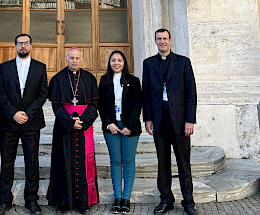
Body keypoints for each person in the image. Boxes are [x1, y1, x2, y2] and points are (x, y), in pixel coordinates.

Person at [142, 29, 198, 215]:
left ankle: (188, 202)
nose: (162, 42)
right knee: (162, 162)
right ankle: (166, 199)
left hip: (180, 121)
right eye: (159, 39)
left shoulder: (183, 62)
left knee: (183, 162)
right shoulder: (148, 63)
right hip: (159, 121)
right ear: (155, 42)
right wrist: (148, 118)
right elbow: (147, 94)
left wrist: (190, 120)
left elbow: (191, 93)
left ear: (171, 41)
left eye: (165, 39)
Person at [0, 34, 48, 215]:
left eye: (26, 43)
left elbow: (42, 94)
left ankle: (31, 200)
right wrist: (14, 113)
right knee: (7, 162)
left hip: (31, 122)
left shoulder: (40, 68)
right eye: (19, 43)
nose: (23, 46)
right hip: (9, 121)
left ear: (31, 46)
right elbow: (0, 94)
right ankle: (4, 200)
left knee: (32, 162)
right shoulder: (4, 67)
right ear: (15, 46)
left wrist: (27, 114)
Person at [46, 47, 99, 214]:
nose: (74, 61)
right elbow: (56, 106)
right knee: (63, 162)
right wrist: (70, 122)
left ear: (81, 59)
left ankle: (84, 203)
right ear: (66, 58)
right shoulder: (57, 79)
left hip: (85, 127)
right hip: (63, 127)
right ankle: (63, 202)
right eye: (71, 58)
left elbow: (94, 104)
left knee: (85, 163)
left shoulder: (89, 79)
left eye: (77, 58)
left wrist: (82, 121)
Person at [98, 50, 142, 214]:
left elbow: (138, 105)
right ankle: (117, 198)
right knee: (115, 161)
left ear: (125, 63)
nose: (116, 63)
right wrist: (109, 123)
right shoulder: (104, 81)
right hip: (112, 127)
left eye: (119, 60)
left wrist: (129, 125)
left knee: (128, 160)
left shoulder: (134, 81)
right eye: (113, 60)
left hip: (130, 127)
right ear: (109, 63)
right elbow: (101, 105)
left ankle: (126, 198)